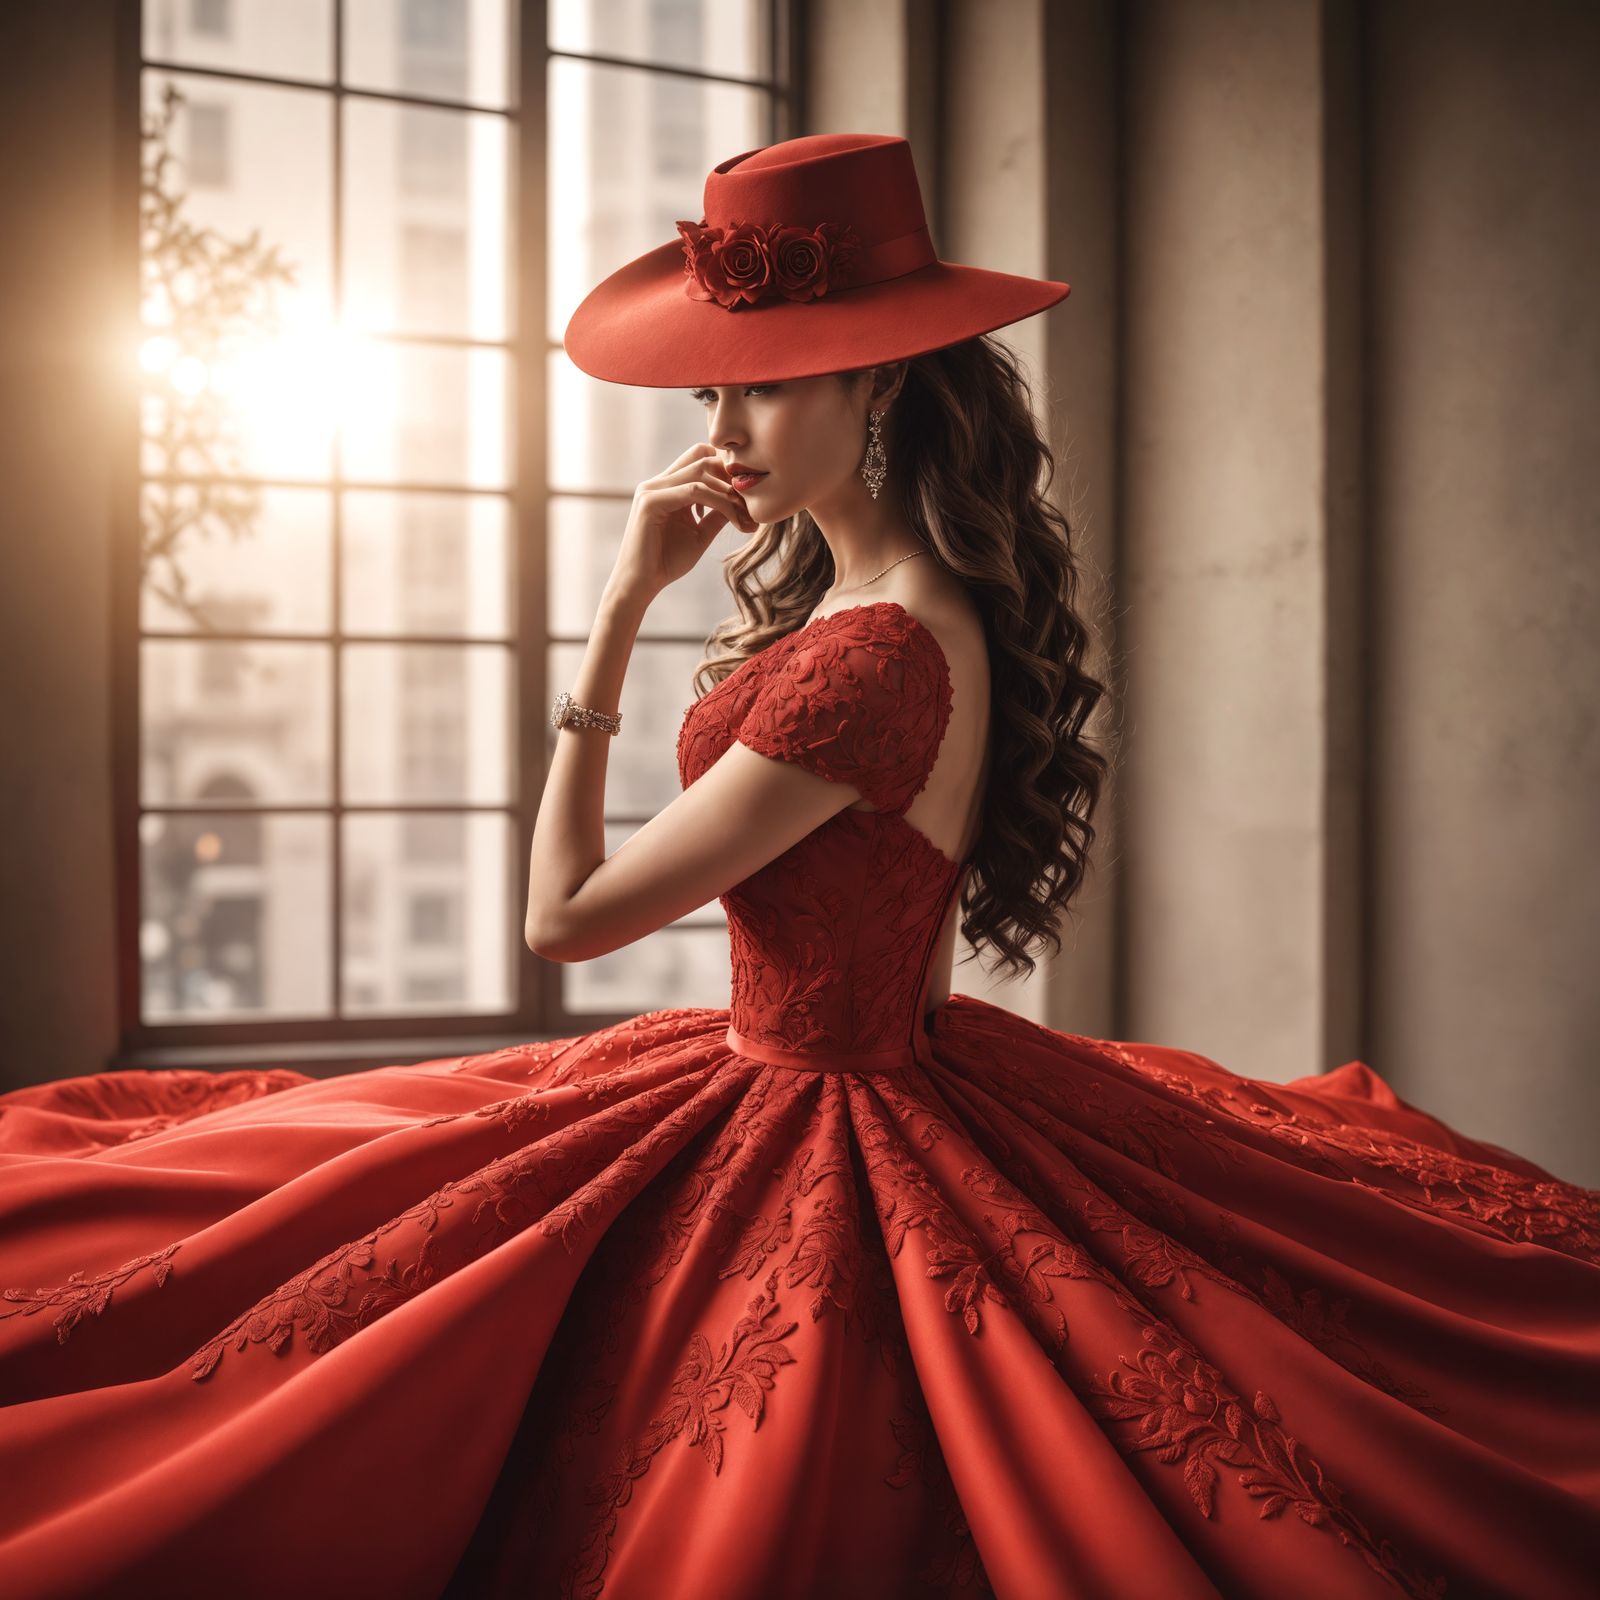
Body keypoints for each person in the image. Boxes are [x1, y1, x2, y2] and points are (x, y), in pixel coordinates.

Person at [0, 133, 1595, 1600]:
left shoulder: (878, 658)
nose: (721, 436)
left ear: (879, 385)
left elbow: (562, 922)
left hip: (830, 1100)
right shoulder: (881, 608)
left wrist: (616, 620)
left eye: (758, 390)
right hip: (822, 1066)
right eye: (711, 396)